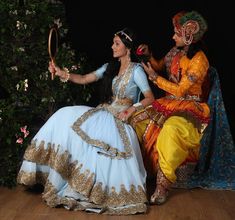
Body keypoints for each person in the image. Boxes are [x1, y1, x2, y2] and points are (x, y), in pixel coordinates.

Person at [17, 27, 155, 215]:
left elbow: (149, 98)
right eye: (113, 43)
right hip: (103, 112)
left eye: (116, 44)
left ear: (127, 48)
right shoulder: (110, 68)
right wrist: (59, 72)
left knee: (98, 145)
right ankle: (47, 172)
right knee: (64, 115)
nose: (112, 46)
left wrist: (132, 109)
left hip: (120, 118)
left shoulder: (136, 71)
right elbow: (83, 78)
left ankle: (96, 191)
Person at [130, 11, 211, 205]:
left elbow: (182, 91)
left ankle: (163, 184)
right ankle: (134, 174)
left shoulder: (199, 60)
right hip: (169, 103)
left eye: (176, 33)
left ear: (188, 36)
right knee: (136, 120)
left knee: (171, 129)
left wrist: (155, 79)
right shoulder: (176, 52)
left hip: (191, 107)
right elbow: (159, 65)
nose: (172, 37)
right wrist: (148, 55)